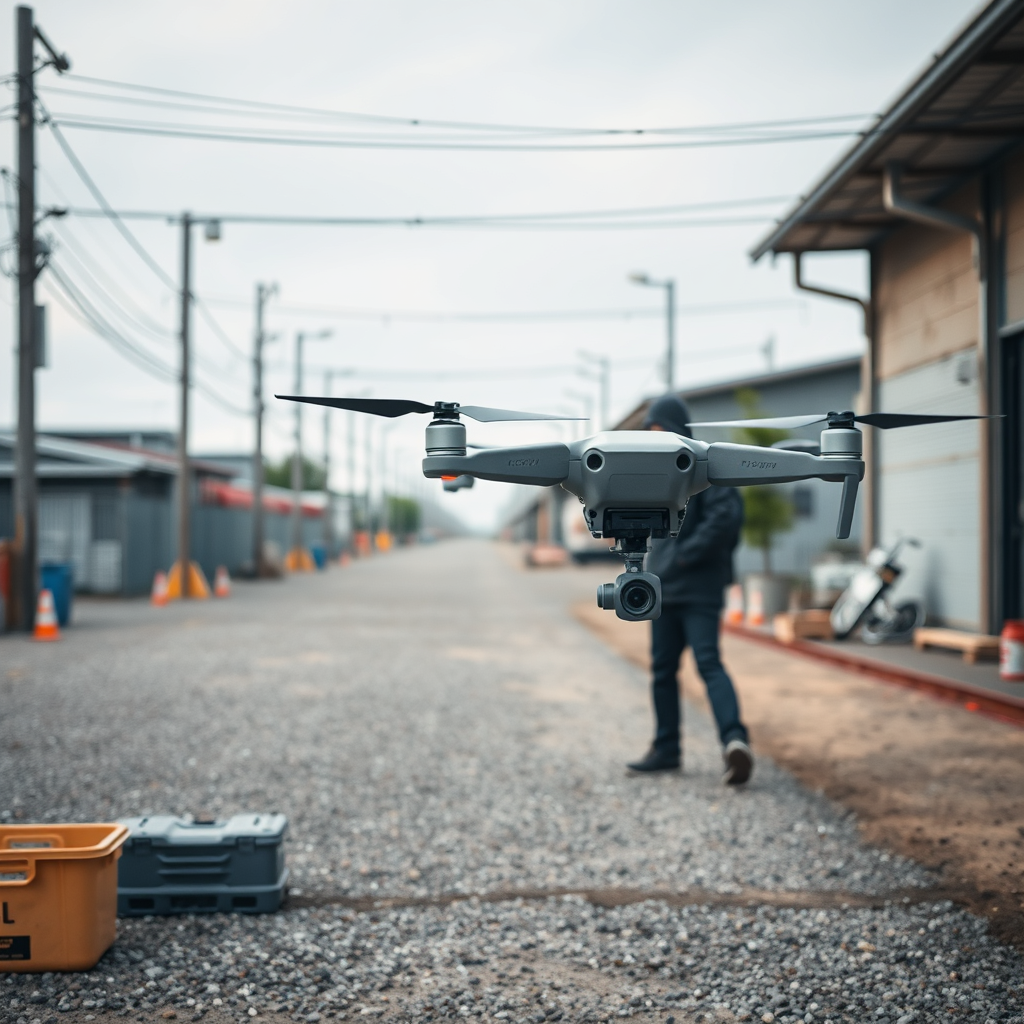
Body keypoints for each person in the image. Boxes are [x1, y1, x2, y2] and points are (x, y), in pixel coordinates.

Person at [626, 393, 754, 785]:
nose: (654, 435)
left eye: (658, 428)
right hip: (663, 588)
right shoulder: (656, 472)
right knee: (662, 670)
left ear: (676, 428)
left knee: (708, 663)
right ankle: (666, 750)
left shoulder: (706, 463)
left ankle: (735, 742)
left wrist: (682, 557)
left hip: (699, 587)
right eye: (650, 430)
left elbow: (725, 518)